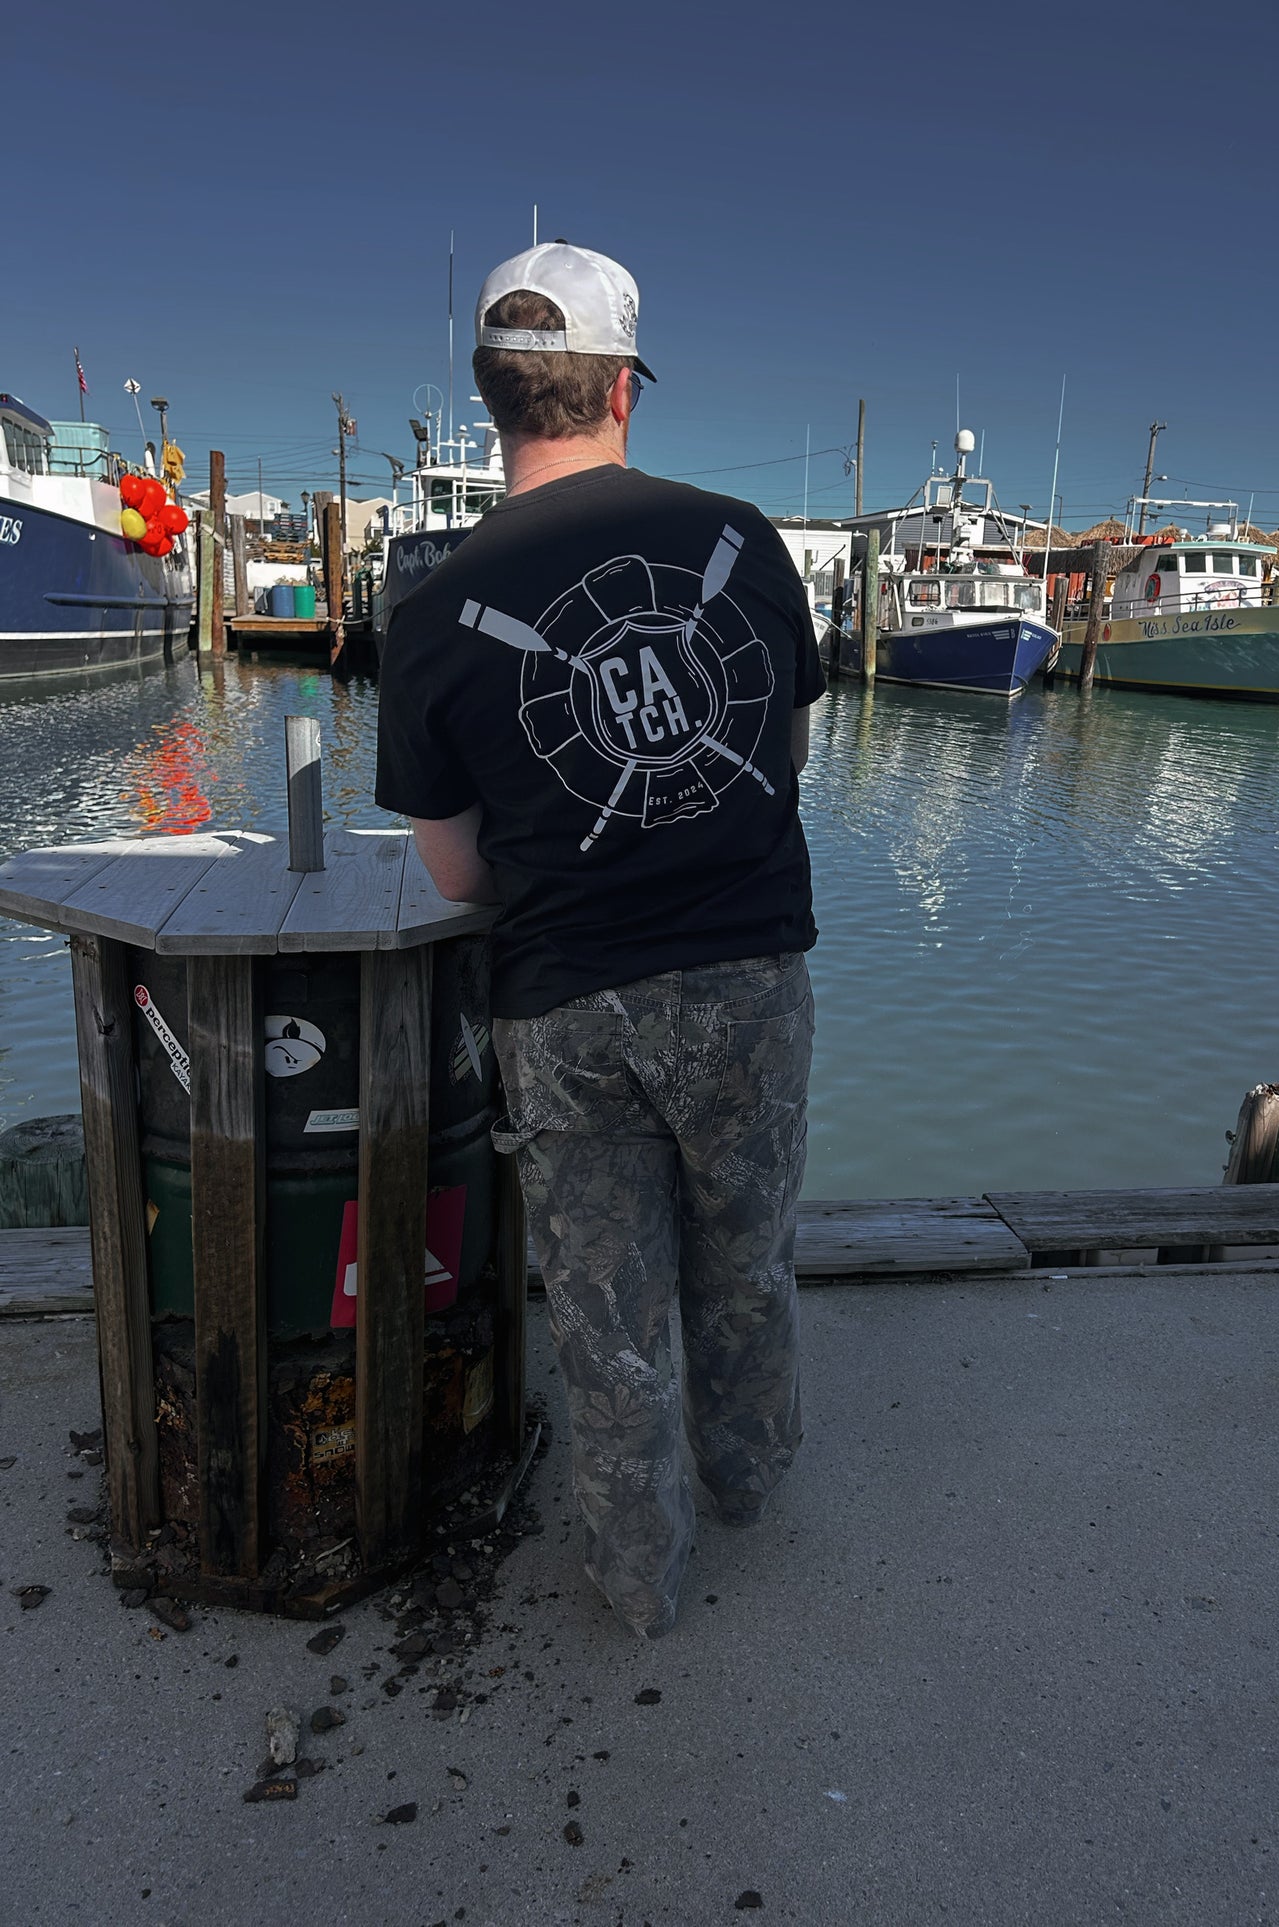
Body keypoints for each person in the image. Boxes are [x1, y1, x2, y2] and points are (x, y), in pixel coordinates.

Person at [374, 242, 826, 1639]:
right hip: (747, 981)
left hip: (561, 1003)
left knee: (604, 1312)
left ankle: (639, 1580)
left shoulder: (432, 606)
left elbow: (453, 873)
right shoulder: (745, 542)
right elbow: (783, 756)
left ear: (494, 396)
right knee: (743, 1258)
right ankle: (748, 1485)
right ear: (622, 386)